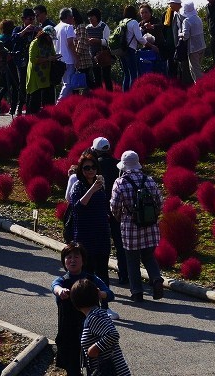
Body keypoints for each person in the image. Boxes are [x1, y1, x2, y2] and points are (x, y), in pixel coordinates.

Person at [64, 151, 116, 319]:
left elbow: (103, 204)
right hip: (85, 236)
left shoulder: (100, 184)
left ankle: (105, 307)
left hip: (101, 233)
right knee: (87, 273)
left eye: (93, 167)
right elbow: (77, 207)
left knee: (103, 272)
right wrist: (93, 189)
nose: (90, 171)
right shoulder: (78, 185)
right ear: (81, 169)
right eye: (86, 168)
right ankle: (85, 306)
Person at [109, 151, 164, 302]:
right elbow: (160, 202)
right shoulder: (149, 180)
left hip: (130, 227)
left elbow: (114, 207)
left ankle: (137, 292)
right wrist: (151, 217)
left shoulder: (120, 182)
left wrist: (121, 218)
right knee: (149, 256)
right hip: (150, 226)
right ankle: (157, 279)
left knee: (132, 260)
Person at [51, 243, 114, 376]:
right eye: (69, 257)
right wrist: (60, 291)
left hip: (91, 330)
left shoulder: (91, 279)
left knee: (94, 366)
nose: (72, 260)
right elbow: (54, 286)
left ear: (83, 260)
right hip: (68, 331)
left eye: (76, 257)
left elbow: (109, 294)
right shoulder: (61, 281)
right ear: (64, 261)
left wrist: (100, 293)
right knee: (72, 366)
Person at [71, 279, 131, 376]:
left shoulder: (94, 317)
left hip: (113, 372)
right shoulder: (96, 315)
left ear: (75, 302)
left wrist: (94, 348)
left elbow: (112, 334)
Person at [92, 137, 127, 285]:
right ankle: (124, 275)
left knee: (100, 244)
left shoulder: (93, 167)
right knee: (120, 244)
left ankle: (100, 275)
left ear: (95, 150)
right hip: (118, 210)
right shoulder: (118, 165)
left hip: (100, 210)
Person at [119, 5, 155, 92]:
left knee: (126, 74)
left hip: (121, 50)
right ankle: (132, 94)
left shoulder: (123, 22)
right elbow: (139, 38)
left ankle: (125, 95)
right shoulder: (134, 22)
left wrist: (141, 29)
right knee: (133, 74)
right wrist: (152, 46)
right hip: (130, 50)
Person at [11, 8, 38, 116]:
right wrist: (24, 31)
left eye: (33, 18)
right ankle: (20, 105)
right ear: (23, 19)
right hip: (21, 61)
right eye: (29, 19)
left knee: (32, 84)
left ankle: (31, 107)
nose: (31, 21)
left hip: (33, 61)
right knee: (22, 84)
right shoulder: (18, 29)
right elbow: (13, 39)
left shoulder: (35, 30)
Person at [23, 27, 57, 113]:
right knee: (35, 97)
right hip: (35, 73)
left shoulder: (50, 44)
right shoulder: (35, 43)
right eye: (49, 37)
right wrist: (47, 59)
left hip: (46, 74)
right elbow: (33, 59)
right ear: (44, 35)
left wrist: (55, 58)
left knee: (48, 98)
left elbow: (53, 54)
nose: (50, 39)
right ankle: (31, 117)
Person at [83, 8, 112, 92]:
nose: (90, 19)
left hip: (103, 56)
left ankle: (110, 96)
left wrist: (96, 41)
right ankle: (100, 96)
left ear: (97, 17)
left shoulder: (104, 26)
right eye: (89, 17)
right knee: (97, 78)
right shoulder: (87, 28)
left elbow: (107, 42)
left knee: (107, 77)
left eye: (92, 16)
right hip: (92, 56)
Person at [53, 8, 77, 104]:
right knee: (69, 84)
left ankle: (67, 105)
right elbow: (70, 43)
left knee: (65, 83)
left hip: (58, 59)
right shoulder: (68, 27)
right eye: (71, 17)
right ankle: (59, 103)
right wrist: (76, 57)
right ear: (68, 17)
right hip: (68, 59)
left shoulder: (55, 28)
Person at [179, 1, 206, 85]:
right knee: (198, 67)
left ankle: (200, 86)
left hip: (193, 47)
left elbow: (186, 36)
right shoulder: (198, 18)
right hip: (202, 45)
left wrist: (180, 34)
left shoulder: (187, 21)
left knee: (194, 69)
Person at [0, 20, 18, 114]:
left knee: (5, 85)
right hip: (11, 63)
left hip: (1, 64)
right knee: (16, 86)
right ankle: (13, 108)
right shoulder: (10, 38)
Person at [138, 3, 167, 75]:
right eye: (142, 13)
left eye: (146, 12)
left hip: (159, 49)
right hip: (146, 52)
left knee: (159, 71)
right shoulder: (140, 24)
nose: (144, 14)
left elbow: (161, 26)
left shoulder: (156, 20)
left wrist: (152, 26)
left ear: (150, 13)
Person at [164, 0, 185, 79]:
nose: (170, 6)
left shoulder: (182, 13)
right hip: (173, 44)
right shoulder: (171, 14)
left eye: (171, 4)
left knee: (182, 67)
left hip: (181, 43)